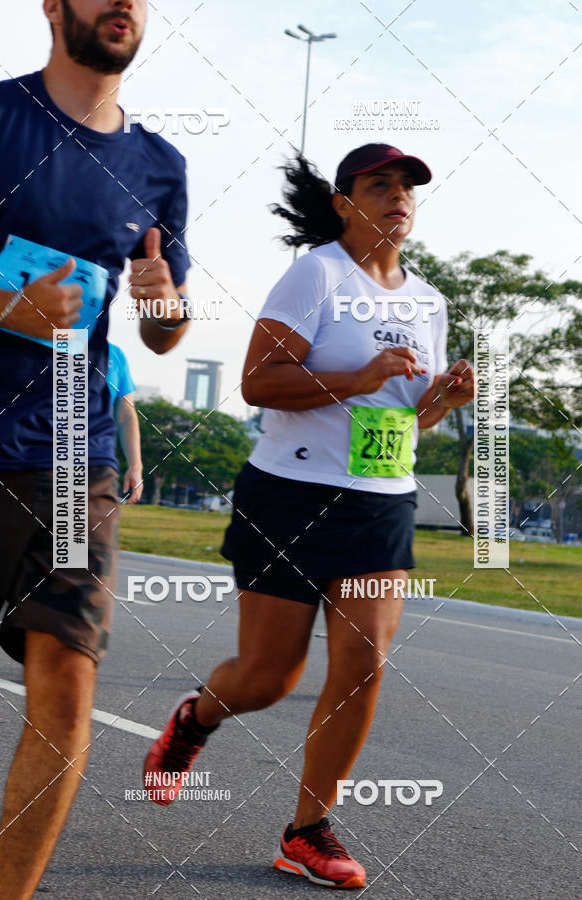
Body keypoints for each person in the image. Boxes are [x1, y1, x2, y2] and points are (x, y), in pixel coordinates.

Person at [144, 143, 475, 889]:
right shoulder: (316, 273)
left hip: (380, 500)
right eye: (379, 184)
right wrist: (357, 376)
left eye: (407, 187)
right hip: (288, 497)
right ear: (344, 202)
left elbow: (402, 417)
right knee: (267, 677)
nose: (398, 197)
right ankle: (196, 720)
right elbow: (260, 381)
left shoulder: (427, 302)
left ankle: (306, 830)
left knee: (362, 664)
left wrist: (443, 403)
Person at [0, 2, 191, 897]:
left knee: (67, 687)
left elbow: (167, 335)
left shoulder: (159, 166)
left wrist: (162, 300)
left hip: (75, 455)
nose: (122, 7)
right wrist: (1, 308)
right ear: (52, 7)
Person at [107, 342, 143, 503]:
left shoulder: (114, 354)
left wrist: (135, 466)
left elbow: (126, 416)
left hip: (96, 461)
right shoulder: (38, 342)